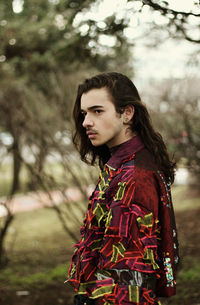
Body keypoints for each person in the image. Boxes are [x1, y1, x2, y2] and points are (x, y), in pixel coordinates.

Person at [66, 72, 179, 305]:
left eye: (97, 111)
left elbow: (130, 281)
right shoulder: (123, 163)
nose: (86, 121)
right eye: (84, 113)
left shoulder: (135, 176)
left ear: (127, 113)